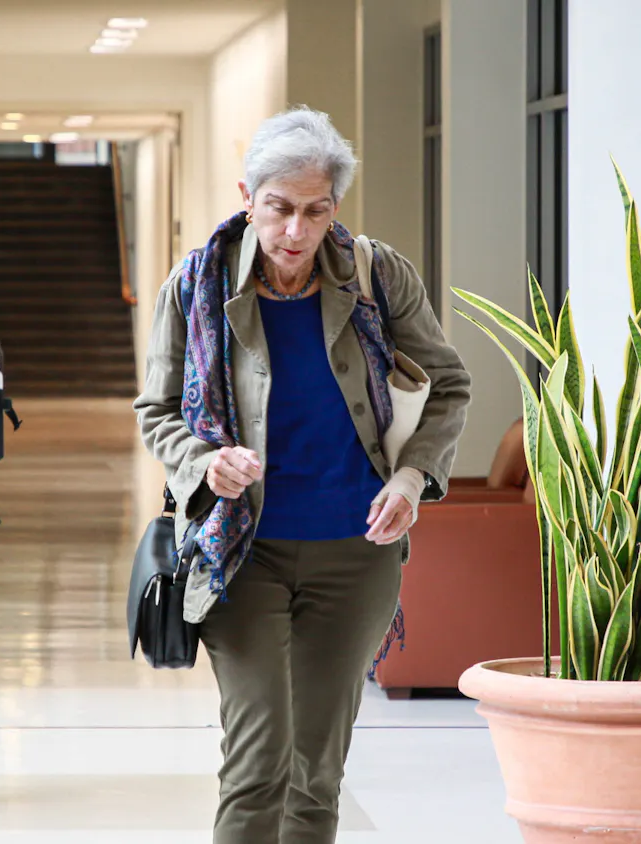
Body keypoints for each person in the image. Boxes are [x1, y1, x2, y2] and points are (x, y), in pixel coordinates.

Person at [135, 107, 471, 843]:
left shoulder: (378, 276)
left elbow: (448, 385)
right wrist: (203, 461)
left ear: (334, 208)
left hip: (355, 556)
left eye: (314, 211)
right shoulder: (196, 286)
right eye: (280, 209)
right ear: (247, 197)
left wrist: (413, 480)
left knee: (317, 775)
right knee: (258, 765)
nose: (295, 231)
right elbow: (157, 411)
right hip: (239, 553)